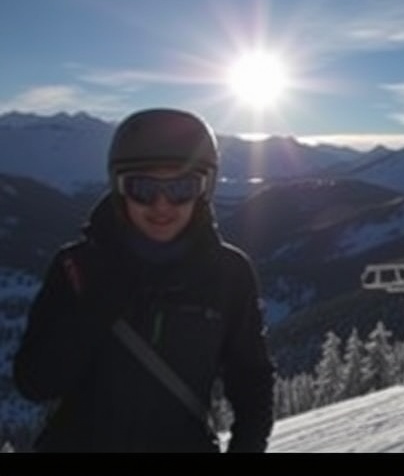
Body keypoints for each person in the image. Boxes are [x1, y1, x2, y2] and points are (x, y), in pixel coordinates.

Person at [14, 108, 276, 452]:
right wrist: (97, 305)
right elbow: (36, 382)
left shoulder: (229, 274)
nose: (162, 205)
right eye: (142, 188)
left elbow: (251, 380)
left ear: (204, 189)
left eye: (182, 187)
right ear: (119, 187)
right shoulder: (76, 268)